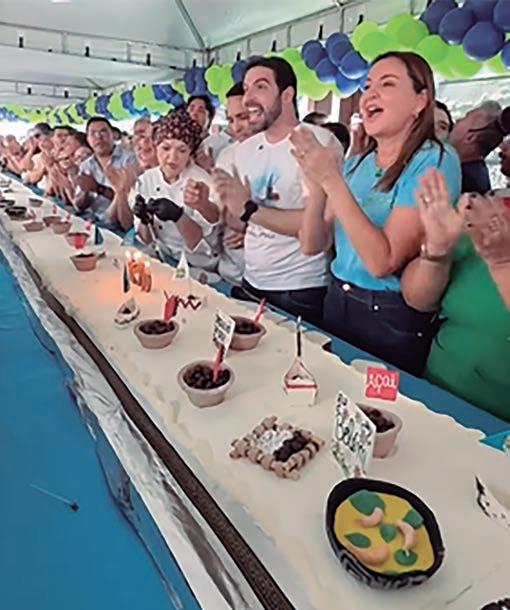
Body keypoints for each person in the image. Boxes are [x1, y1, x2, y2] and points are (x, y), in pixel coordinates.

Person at [293, 51, 461, 375]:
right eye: (367, 85)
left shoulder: (435, 158)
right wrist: (316, 187)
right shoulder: (358, 162)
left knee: (373, 405)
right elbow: (313, 244)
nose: (370, 94)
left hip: (386, 314)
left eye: (387, 84)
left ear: (420, 101)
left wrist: (331, 179)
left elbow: (382, 262)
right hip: (336, 297)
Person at [213, 57, 343, 326]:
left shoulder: (318, 142)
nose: (248, 98)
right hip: (251, 279)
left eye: (260, 87)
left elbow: (321, 225)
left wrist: (250, 210)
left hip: (299, 287)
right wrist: (230, 208)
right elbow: (241, 220)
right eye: (246, 88)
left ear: (287, 95)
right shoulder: (245, 150)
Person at [401, 169, 510, 420]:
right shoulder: (488, 219)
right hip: (434, 394)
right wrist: (437, 249)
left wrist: (501, 264)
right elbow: (417, 299)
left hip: (498, 424)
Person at [132, 108, 220, 273]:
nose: (172, 158)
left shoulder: (201, 182)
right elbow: (146, 240)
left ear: (190, 152)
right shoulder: (146, 180)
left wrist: (179, 216)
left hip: (199, 265)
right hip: (164, 258)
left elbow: (197, 243)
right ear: (156, 146)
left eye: (182, 150)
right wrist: (144, 220)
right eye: (166, 148)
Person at [214, 82, 253, 285]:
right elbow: (220, 212)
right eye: (230, 120)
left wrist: (253, 231)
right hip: (230, 269)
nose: (236, 127)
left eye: (243, 117)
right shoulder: (226, 155)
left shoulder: (287, 154)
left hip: (274, 277)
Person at [73, 117, 137, 226]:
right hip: (93, 221)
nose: (99, 137)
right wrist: (86, 191)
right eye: (93, 133)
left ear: (113, 135)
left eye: (103, 131)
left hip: (119, 225)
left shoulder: (129, 160)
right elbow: (79, 206)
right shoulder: (86, 165)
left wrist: (98, 188)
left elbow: (130, 201)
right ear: (88, 139)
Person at [449, 101, 506, 194]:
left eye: (465, 118)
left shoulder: (458, 181)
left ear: (471, 138)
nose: (457, 120)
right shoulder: (475, 175)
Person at [187, 95, 230, 171]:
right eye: (191, 109)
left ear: (209, 118)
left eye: (200, 111)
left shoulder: (219, 143)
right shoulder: (177, 145)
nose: (194, 114)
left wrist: (210, 168)